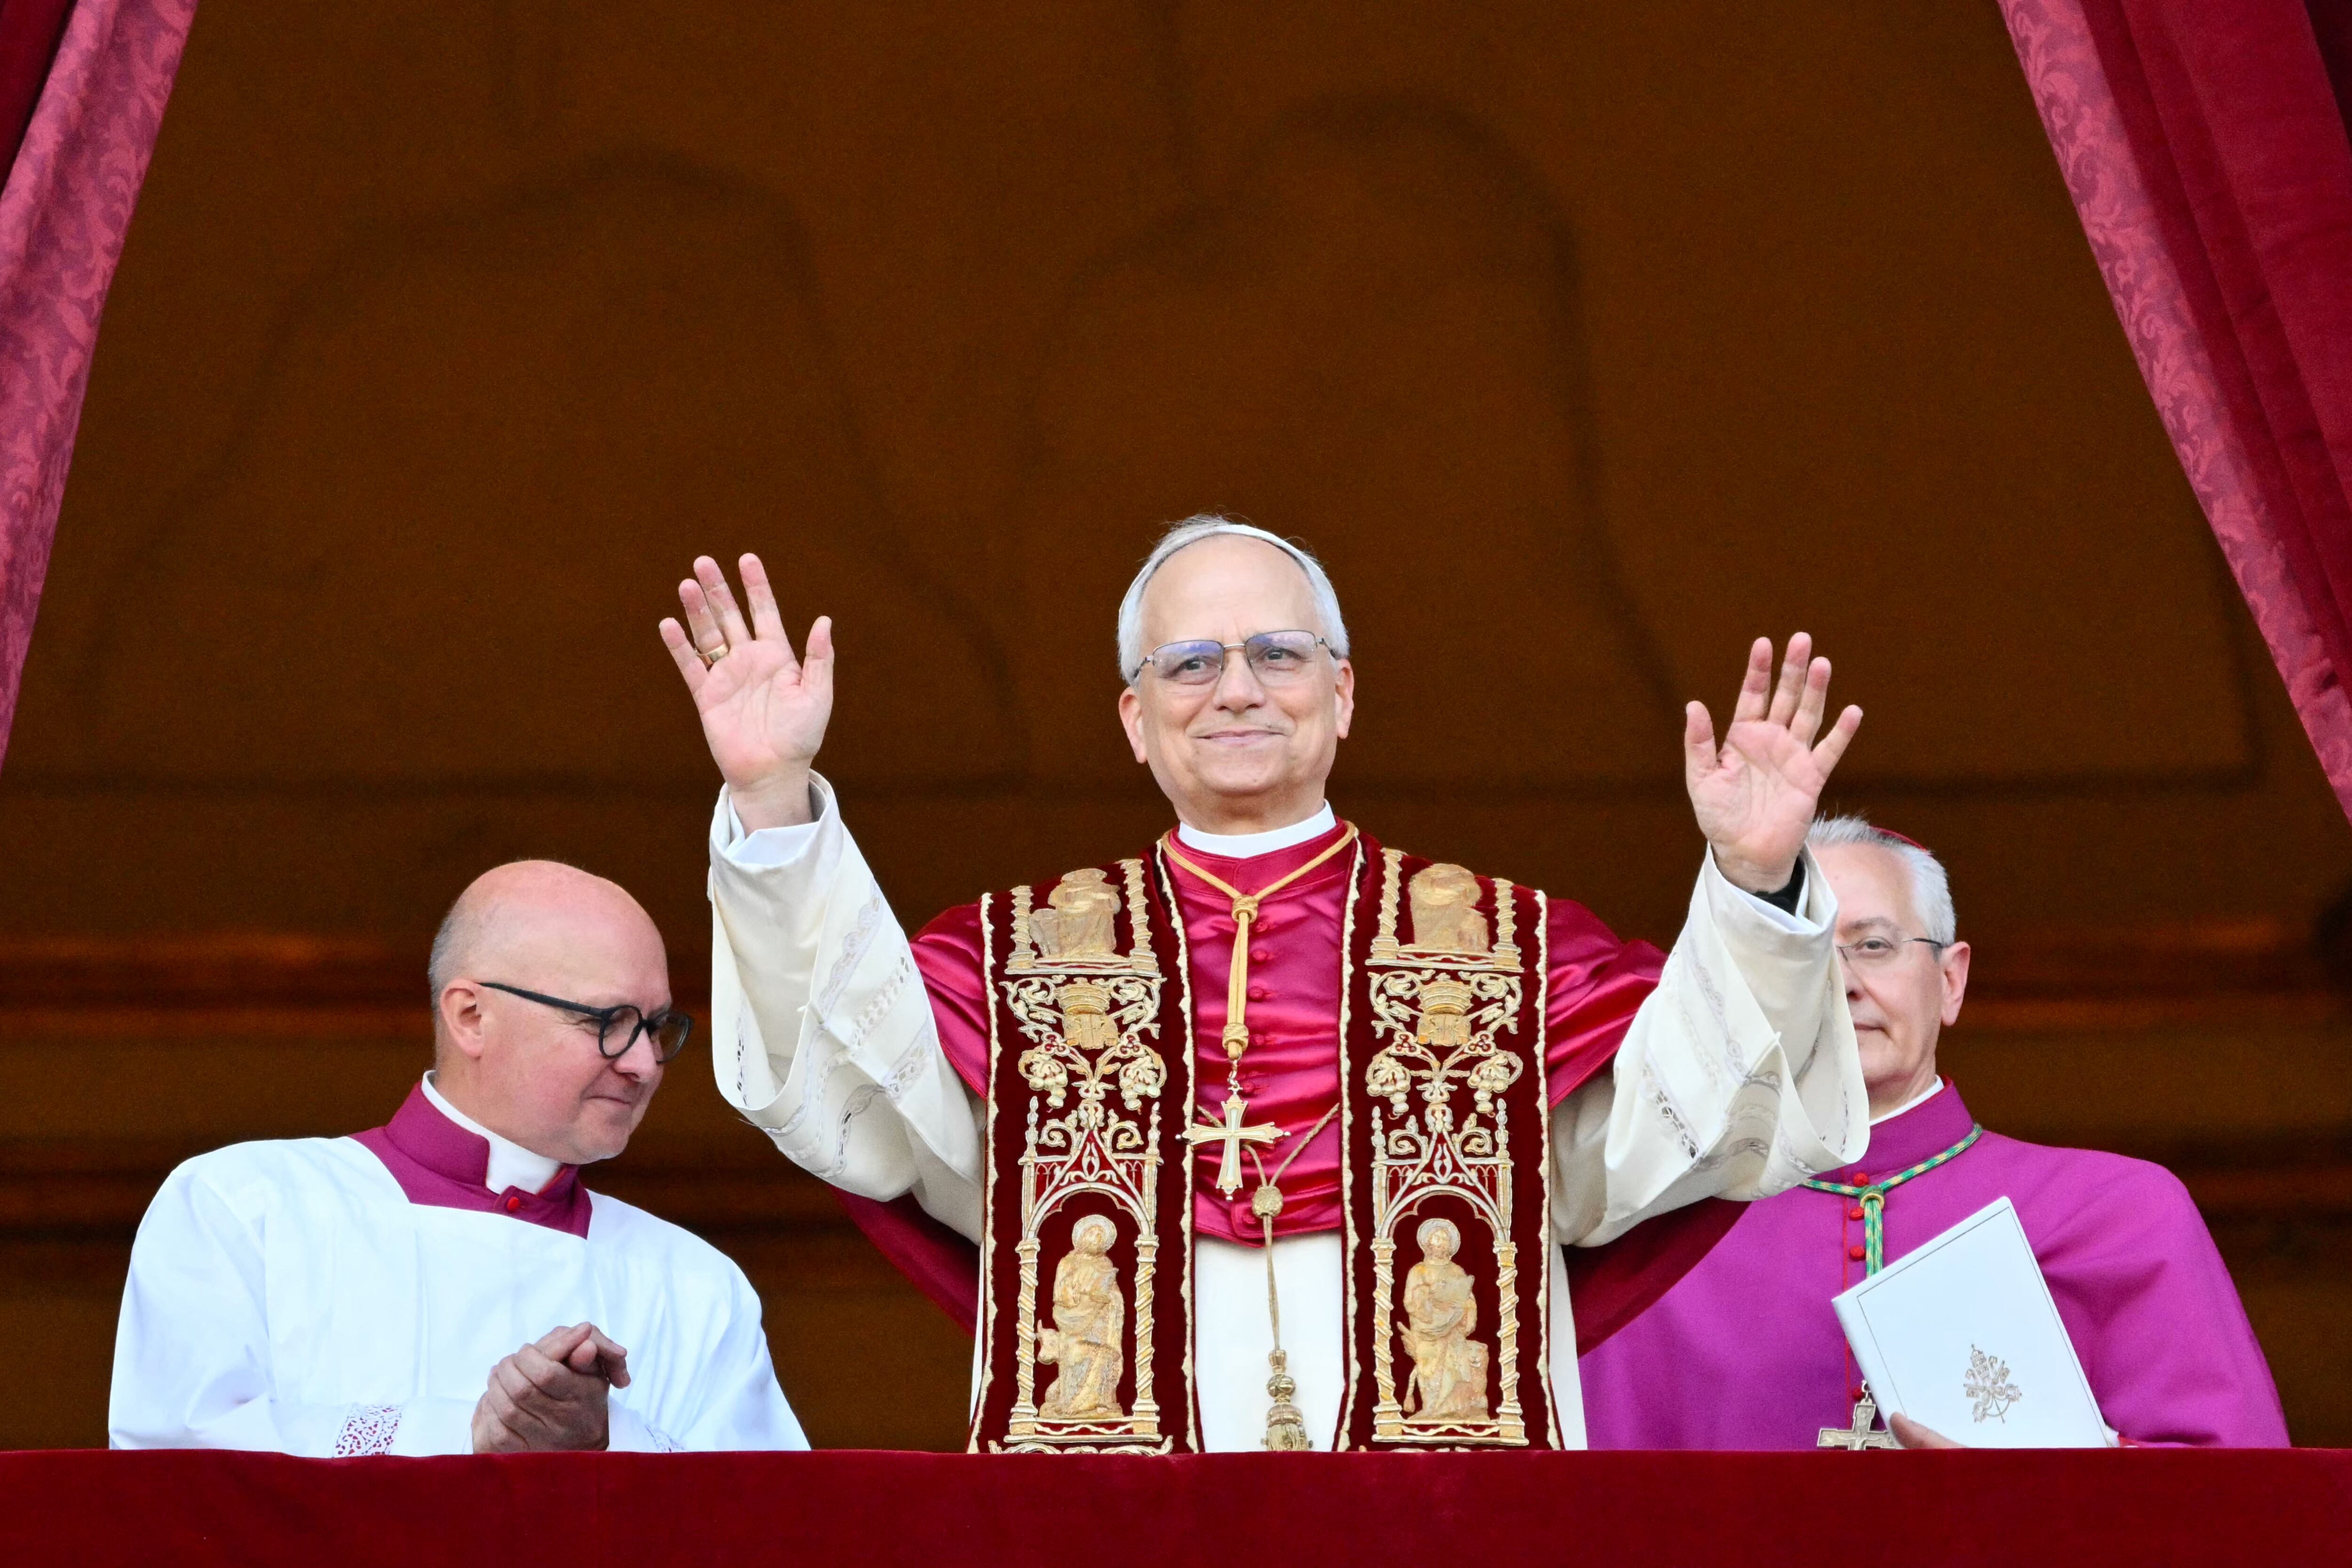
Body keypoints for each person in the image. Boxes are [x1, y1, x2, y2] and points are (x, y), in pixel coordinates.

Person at [665, 514, 1871, 1452]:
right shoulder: (1018, 958)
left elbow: (1681, 1133)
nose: (1236, 687)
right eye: (1189, 661)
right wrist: (774, 805)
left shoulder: (1505, 947)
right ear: (1134, 720)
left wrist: (1755, 882)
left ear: (1342, 693)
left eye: (1277, 653)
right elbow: (856, 1105)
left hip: (1437, 1521)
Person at [1578, 817, 2290, 1449]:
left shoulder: (2120, 1211)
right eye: (1804, 956)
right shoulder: (1654, 1240)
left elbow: (2250, 1514)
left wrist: (2051, 1498)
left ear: (1951, 980)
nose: (1843, 983)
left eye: (1875, 944)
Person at [109, 861, 808, 1455]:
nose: (644, 1063)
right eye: (609, 1023)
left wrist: (604, 1442)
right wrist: (465, 1431)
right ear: (471, 1016)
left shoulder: (697, 1286)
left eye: (656, 1027)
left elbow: (768, 1528)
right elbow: (177, 1474)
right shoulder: (243, 1206)